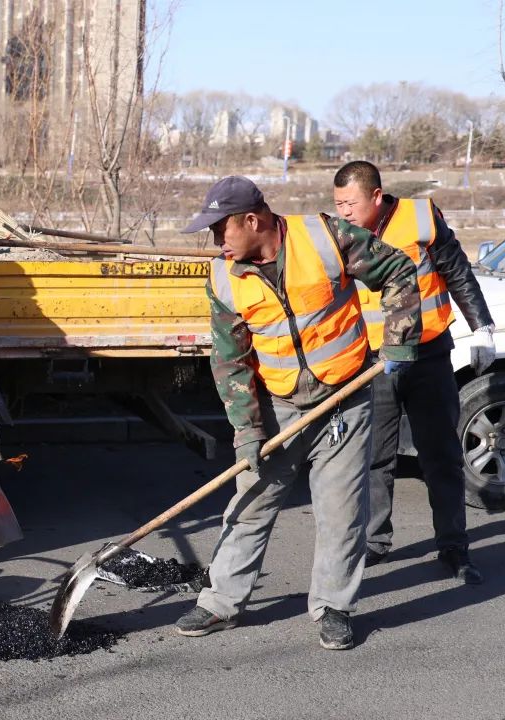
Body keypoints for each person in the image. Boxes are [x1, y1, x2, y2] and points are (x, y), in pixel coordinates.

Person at [175, 176, 422, 650]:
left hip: (346, 394)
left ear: (253, 220)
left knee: (342, 509)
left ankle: (333, 606)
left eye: (220, 229)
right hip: (279, 404)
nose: (216, 241)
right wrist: (246, 431)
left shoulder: (326, 238)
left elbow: (397, 271)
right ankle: (221, 601)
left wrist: (400, 335)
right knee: (251, 501)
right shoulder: (224, 278)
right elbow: (230, 361)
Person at [333, 160, 493, 584]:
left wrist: (481, 326)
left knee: (440, 456)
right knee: (374, 458)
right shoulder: (339, 234)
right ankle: (374, 542)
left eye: (350, 203)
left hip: (428, 355)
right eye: (337, 204)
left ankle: (454, 547)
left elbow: (455, 268)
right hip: (374, 361)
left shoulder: (421, 216)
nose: (344, 211)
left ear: (375, 195)